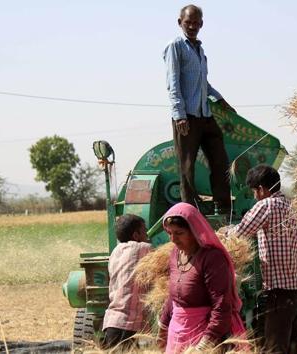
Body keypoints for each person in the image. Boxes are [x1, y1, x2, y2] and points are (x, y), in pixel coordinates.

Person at [163, 4, 235, 211]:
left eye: (196, 23)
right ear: (180, 22)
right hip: (186, 117)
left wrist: (220, 100)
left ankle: (222, 206)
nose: (192, 26)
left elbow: (205, 84)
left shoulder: (200, 50)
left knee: (221, 160)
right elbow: (173, 83)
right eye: (188, 22)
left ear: (201, 24)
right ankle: (190, 209)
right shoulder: (175, 46)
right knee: (187, 167)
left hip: (205, 114)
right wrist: (179, 116)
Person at [227, 164, 297, 354]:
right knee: (290, 347)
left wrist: (223, 232)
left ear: (261, 189)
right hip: (295, 289)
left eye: (254, 191)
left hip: (279, 292)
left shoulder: (266, 205)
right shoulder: (291, 205)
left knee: (274, 349)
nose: (254, 196)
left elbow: (239, 233)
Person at [158, 203, 246, 353]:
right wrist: (162, 327)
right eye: (169, 233)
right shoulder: (175, 255)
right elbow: (173, 298)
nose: (173, 239)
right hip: (177, 337)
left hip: (204, 338)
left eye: (179, 233)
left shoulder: (212, 258)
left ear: (194, 231)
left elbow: (221, 306)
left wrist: (203, 346)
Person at [102, 214, 152, 350]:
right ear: (136, 235)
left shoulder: (116, 251)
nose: (147, 235)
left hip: (112, 321)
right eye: (145, 231)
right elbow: (165, 254)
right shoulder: (142, 248)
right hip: (126, 324)